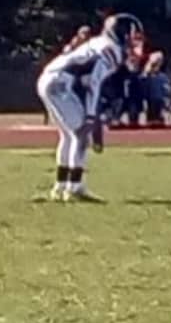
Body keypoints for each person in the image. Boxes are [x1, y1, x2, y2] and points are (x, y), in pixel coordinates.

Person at [35, 14, 142, 202]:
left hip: (50, 79)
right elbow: (94, 82)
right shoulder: (112, 50)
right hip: (60, 83)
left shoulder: (99, 43)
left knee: (68, 136)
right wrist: (92, 116)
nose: (132, 43)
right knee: (81, 135)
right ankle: (74, 188)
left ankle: (61, 187)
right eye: (131, 36)